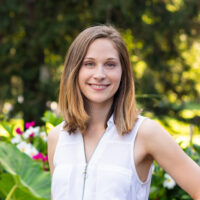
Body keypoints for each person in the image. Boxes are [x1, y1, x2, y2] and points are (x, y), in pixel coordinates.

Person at [47, 25, 200, 200]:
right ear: (74, 71)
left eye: (110, 64)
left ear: (123, 72)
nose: (99, 74)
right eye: (89, 64)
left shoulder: (144, 133)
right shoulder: (57, 138)